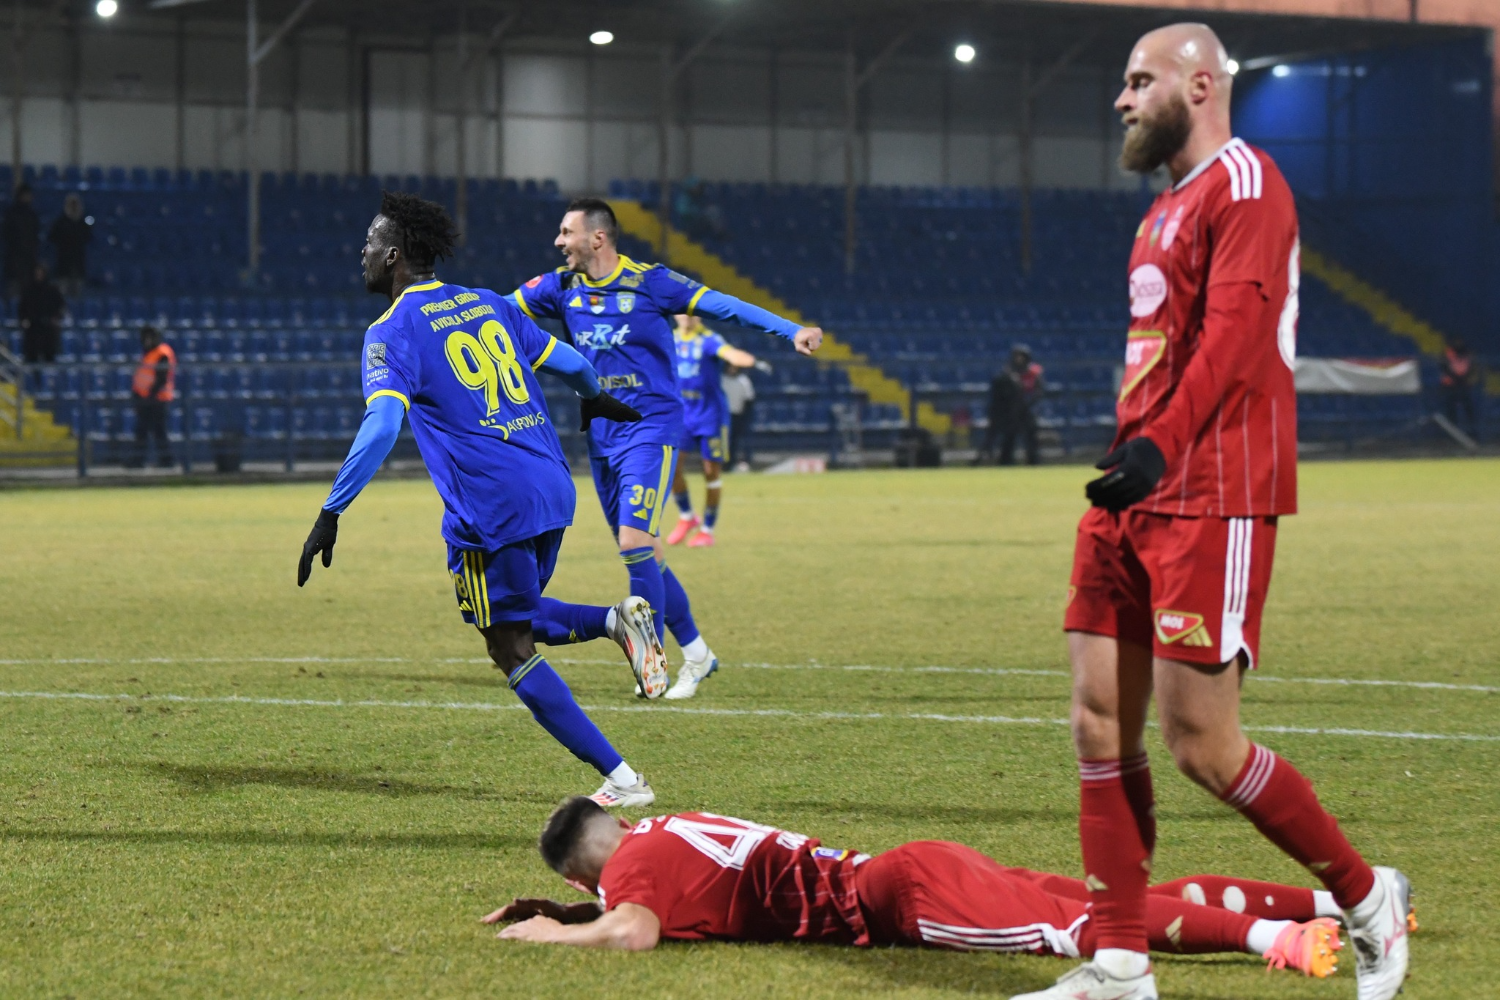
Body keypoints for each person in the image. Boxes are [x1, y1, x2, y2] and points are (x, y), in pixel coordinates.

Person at [1044, 24, 1409, 1000]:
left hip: (1214, 491)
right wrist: (1132, 451)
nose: (1122, 100)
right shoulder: (1162, 210)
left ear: (1199, 85)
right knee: (1096, 720)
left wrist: (1163, 446)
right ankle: (1121, 966)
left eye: (1138, 81)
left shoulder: (1249, 183)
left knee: (1201, 743)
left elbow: (1239, 336)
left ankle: (1367, 896)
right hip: (1134, 489)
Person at [295, 191, 672, 810]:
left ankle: (625, 780)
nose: (361, 252)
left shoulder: (391, 331)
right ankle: (614, 621)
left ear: (392, 256)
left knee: (509, 645)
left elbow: (383, 426)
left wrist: (330, 511)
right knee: (513, 612)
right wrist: (594, 397)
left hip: (491, 504)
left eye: (369, 243)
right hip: (551, 486)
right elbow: (572, 362)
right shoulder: (489, 302)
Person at [485, 796, 1353, 985]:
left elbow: (634, 929)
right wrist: (575, 910)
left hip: (904, 903)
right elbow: (654, 897)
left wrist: (560, 934)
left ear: (580, 872)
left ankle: (1274, 943)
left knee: (1091, 931)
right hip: (911, 866)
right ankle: (1339, 901)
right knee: (1121, 900)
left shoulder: (633, 882)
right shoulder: (664, 831)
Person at [511, 198, 822, 700]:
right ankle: (697, 654)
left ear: (597, 238)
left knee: (634, 542)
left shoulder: (650, 282)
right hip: (602, 434)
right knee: (646, 552)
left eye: (566, 232)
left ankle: (651, 663)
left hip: (650, 427)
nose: (558, 241)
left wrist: (791, 330)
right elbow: (496, 309)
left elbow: (722, 304)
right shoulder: (560, 287)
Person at [666, 314, 770, 549]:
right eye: (682, 311)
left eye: (691, 311)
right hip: (683, 413)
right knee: (671, 466)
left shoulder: (709, 339)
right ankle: (687, 516)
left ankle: (707, 530)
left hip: (711, 416)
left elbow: (729, 353)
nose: (687, 316)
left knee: (711, 472)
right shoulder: (670, 338)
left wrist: (746, 359)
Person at [979, 344, 1044, 466]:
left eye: (1021, 356)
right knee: (1009, 435)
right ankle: (1006, 461)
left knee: (1030, 436)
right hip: (1013, 409)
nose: (1018, 359)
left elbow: (1038, 390)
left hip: (1028, 408)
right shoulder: (1009, 371)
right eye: (1016, 356)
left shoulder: (1034, 372)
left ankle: (1033, 460)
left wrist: (1028, 403)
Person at [129, 325, 176, 469]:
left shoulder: (162, 353)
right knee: (142, 431)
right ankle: (138, 461)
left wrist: (150, 395)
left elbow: (162, 378)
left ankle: (166, 461)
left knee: (159, 431)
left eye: (150, 337)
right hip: (144, 399)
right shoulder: (147, 353)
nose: (147, 340)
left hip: (158, 399)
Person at [18, 263, 65, 363]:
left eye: (41, 273)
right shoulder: (28, 289)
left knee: (49, 356)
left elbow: (60, 306)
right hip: (32, 328)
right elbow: (22, 308)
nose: (39, 276)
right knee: (31, 356)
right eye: (37, 273)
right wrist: (24, 319)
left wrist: (56, 317)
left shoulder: (52, 289)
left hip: (48, 328)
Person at [48, 193, 92, 298]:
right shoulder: (60, 223)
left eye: (75, 205)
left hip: (78, 265)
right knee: (62, 296)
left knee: (77, 296)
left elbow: (88, 238)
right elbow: (52, 238)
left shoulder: (83, 224)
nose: (74, 207)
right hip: (63, 265)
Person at [3, 183, 40, 299]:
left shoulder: (31, 214)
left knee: (27, 294)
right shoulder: (11, 214)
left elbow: (34, 236)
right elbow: (6, 235)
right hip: (14, 259)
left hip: (28, 261)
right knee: (14, 292)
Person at [1439, 337, 1479, 439]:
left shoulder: (1468, 354)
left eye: (1460, 341)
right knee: (1451, 411)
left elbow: (1473, 368)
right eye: (1456, 341)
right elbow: (1443, 368)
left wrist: (1467, 379)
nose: (1458, 344)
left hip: (1465, 385)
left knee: (1469, 410)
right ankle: (1452, 436)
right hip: (1451, 386)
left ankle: (1473, 435)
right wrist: (1452, 378)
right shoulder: (1447, 353)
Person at [723, 363, 756, 471]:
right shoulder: (722, 379)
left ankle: (739, 462)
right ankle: (725, 463)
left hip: (738, 415)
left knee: (736, 441)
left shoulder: (743, 381)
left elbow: (749, 398)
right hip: (724, 415)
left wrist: (744, 415)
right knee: (725, 441)